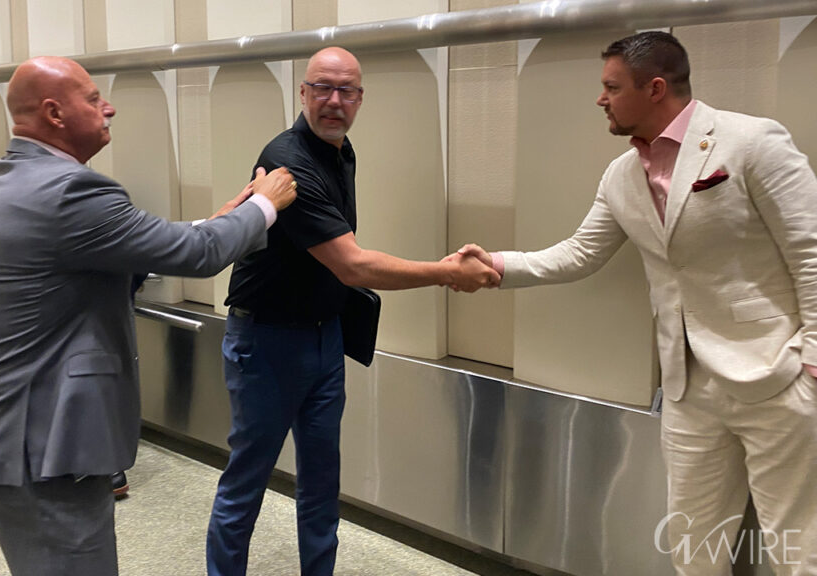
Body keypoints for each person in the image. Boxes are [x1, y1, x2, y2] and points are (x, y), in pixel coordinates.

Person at [455, 31, 817, 575]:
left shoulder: (751, 142)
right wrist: (497, 266)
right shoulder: (622, 174)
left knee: (798, 548)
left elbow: (810, 250)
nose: (600, 99)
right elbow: (579, 253)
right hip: (687, 387)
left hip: (778, 377)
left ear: (654, 88)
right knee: (695, 546)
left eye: (610, 86)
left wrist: (811, 362)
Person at [0, 55, 297, 576]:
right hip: (47, 451)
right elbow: (198, 256)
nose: (108, 108)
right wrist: (266, 206)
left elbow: (120, 250)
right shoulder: (69, 190)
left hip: (18, 441)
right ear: (54, 112)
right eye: (94, 99)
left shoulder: (10, 179)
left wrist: (222, 220)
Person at [206, 46, 499, 576]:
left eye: (346, 91)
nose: (334, 101)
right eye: (322, 87)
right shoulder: (288, 160)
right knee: (246, 481)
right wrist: (447, 271)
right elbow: (354, 266)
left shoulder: (340, 151)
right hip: (266, 342)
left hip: (325, 338)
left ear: (361, 99)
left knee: (321, 481)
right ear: (303, 93)